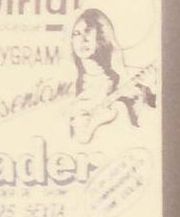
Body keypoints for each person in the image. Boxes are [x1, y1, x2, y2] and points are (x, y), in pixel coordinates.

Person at [67, 8, 156, 144]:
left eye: (88, 31)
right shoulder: (71, 87)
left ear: (100, 36)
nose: (83, 40)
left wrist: (150, 93)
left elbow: (149, 132)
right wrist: (95, 122)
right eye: (76, 34)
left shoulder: (124, 79)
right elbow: (77, 139)